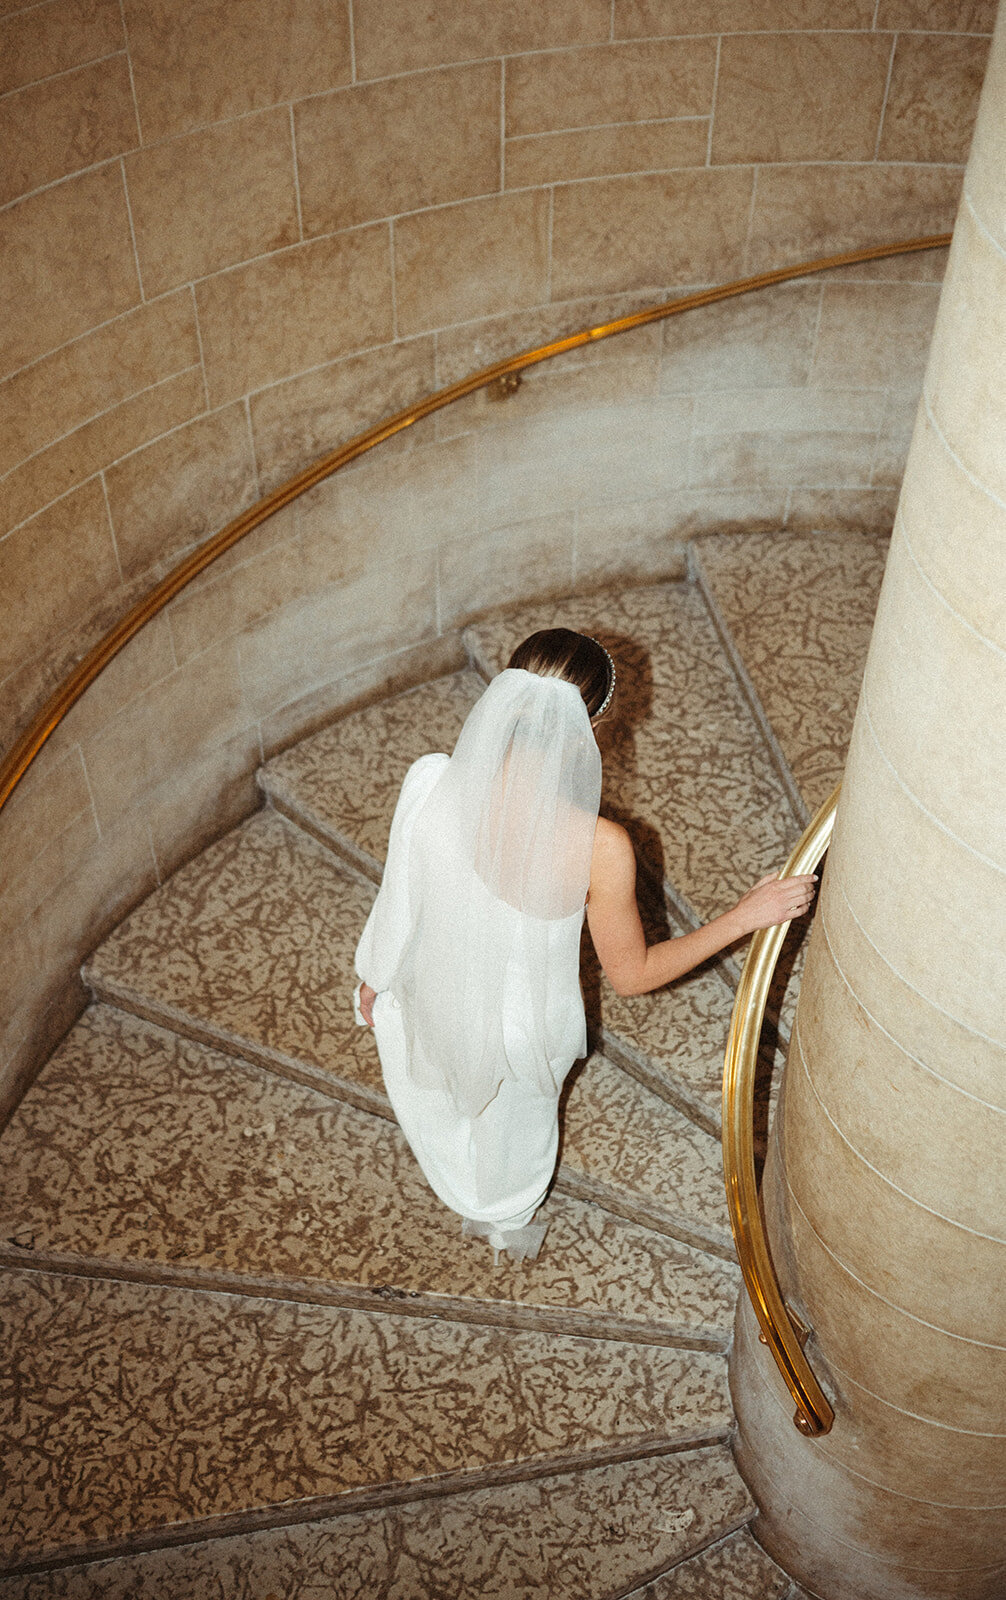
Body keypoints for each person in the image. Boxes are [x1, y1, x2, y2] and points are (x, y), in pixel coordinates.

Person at [354, 629, 815, 1263]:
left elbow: (399, 898)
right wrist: (743, 916)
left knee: (439, 1076)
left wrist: (378, 976)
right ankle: (503, 1210)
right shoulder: (599, 846)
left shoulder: (430, 780)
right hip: (524, 1030)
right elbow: (633, 974)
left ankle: (458, 1169)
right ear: (591, 726)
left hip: (436, 988)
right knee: (513, 1128)